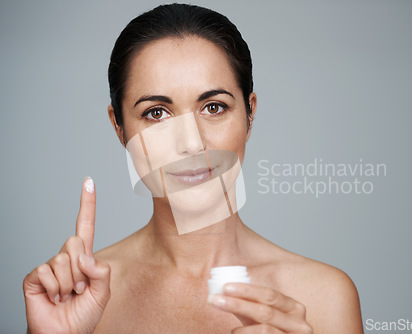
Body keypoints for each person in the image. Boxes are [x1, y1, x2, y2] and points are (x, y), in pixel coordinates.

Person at [23, 4, 363, 333]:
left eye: (213, 107)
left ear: (249, 114)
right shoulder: (78, 300)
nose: (191, 143)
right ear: (119, 127)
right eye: (157, 113)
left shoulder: (323, 298)